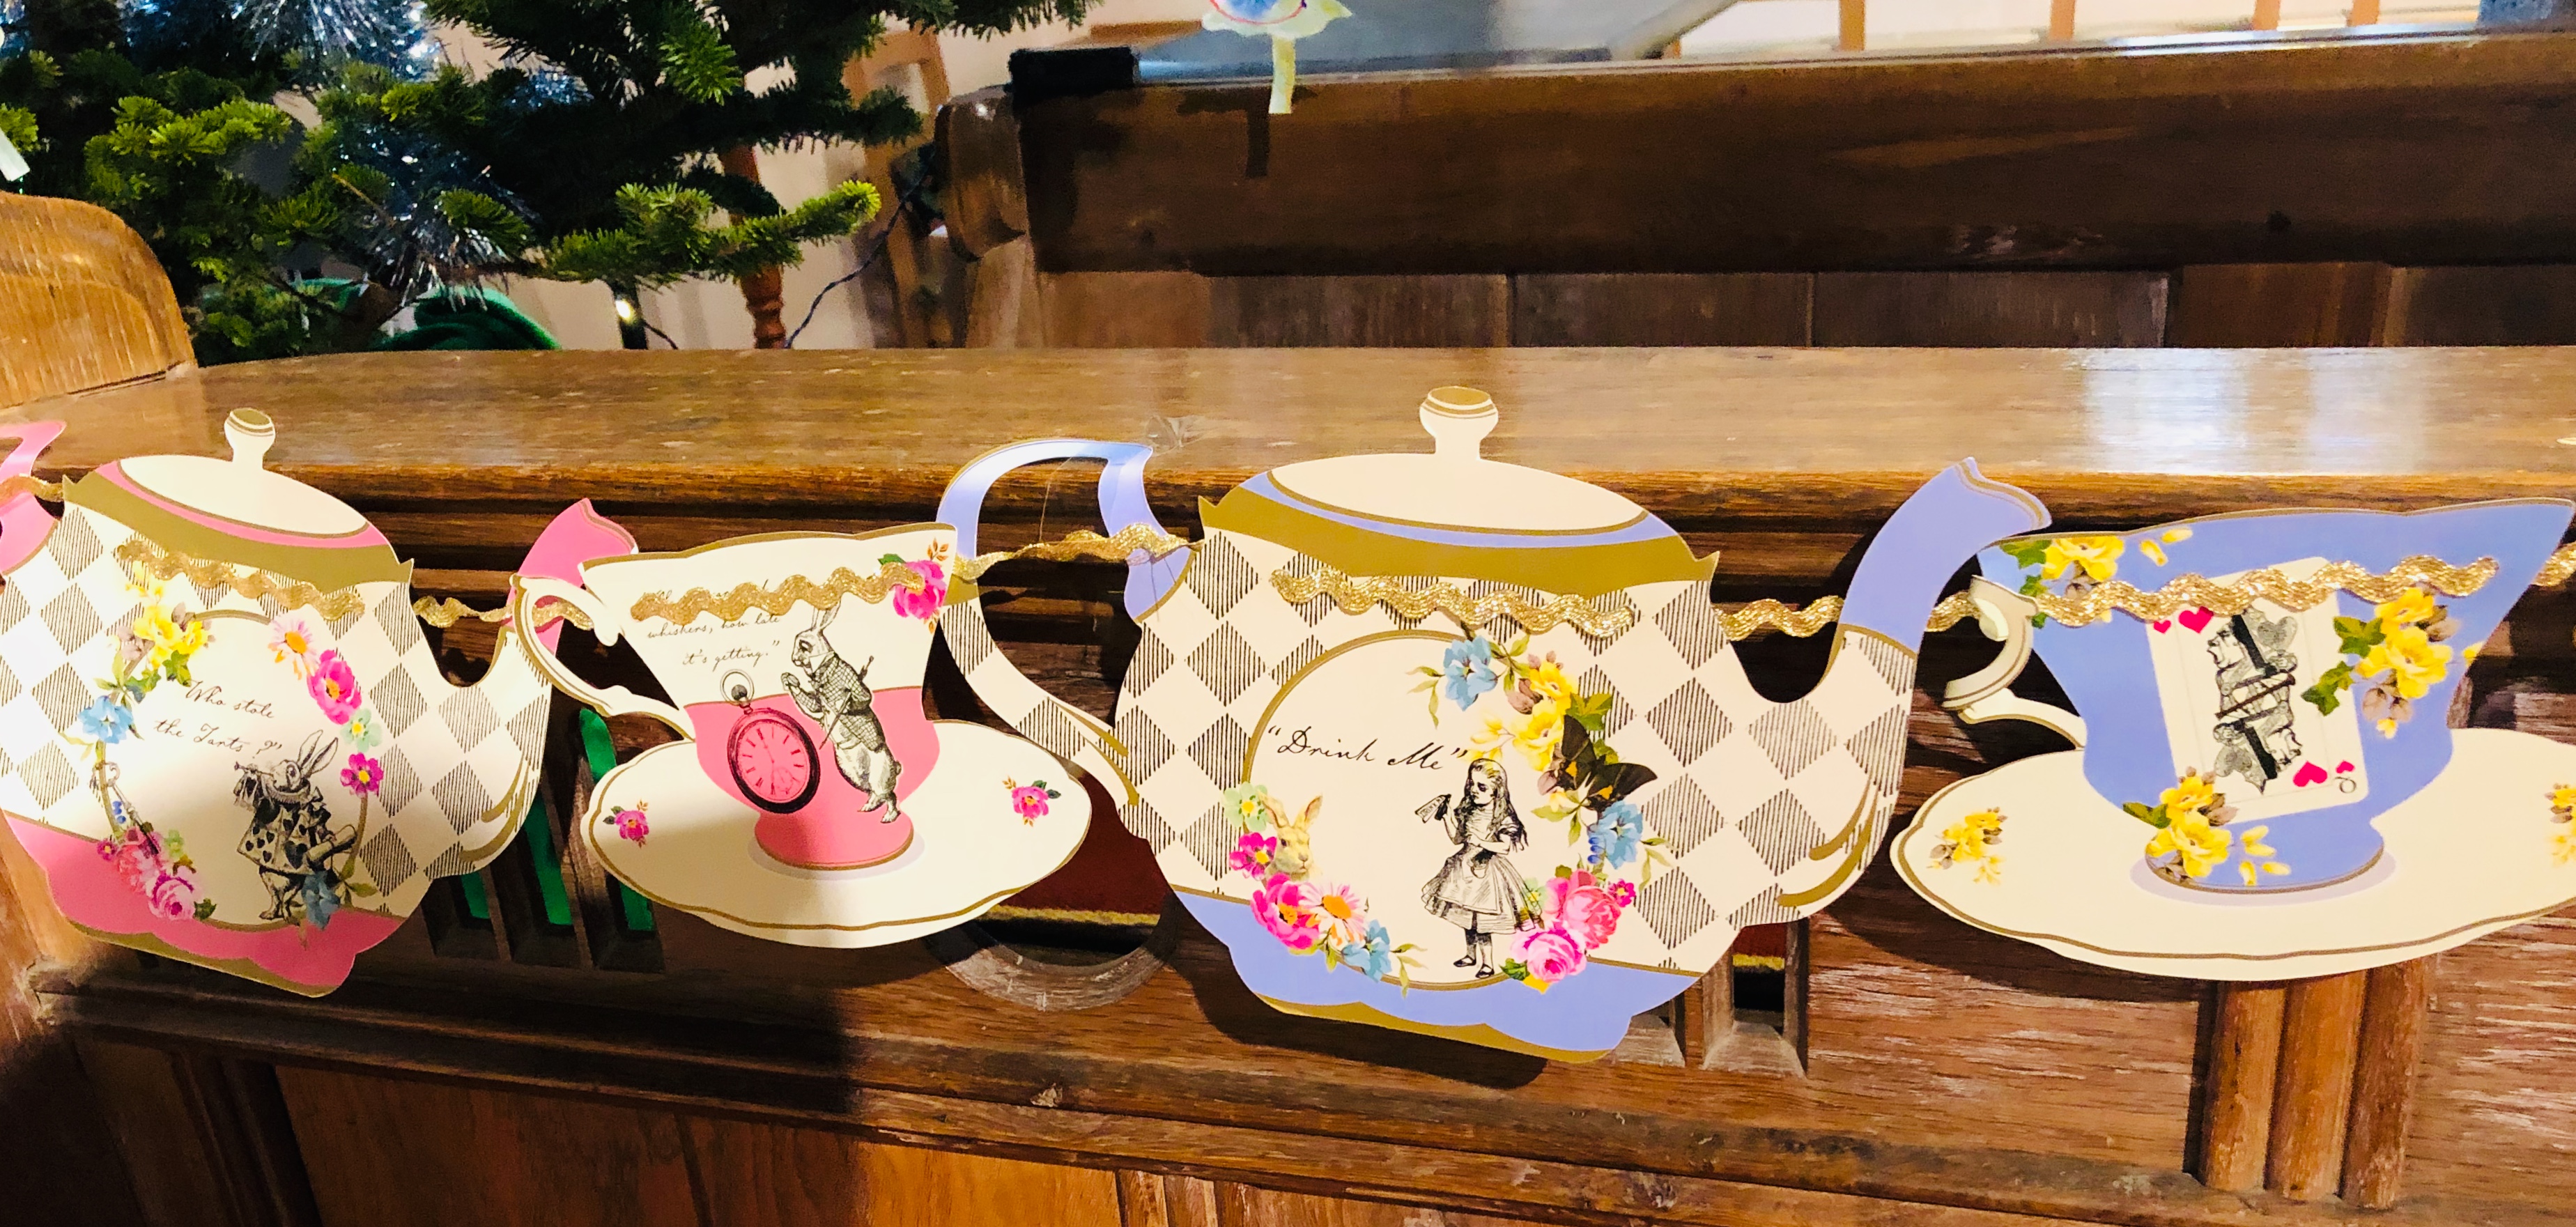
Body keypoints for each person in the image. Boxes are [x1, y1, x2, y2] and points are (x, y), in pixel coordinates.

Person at [1417, 756, 1538, 975]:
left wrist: (1481, 842)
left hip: (1487, 874)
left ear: (1496, 792)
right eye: (1472, 784)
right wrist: (1447, 817)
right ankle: (1470, 955)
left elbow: (1504, 847)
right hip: (1463, 871)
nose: (1474, 790)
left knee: (1482, 924)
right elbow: (1457, 839)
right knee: (1467, 919)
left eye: (1482, 787)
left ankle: (1487, 963)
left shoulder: (1501, 817)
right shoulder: (1470, 811)